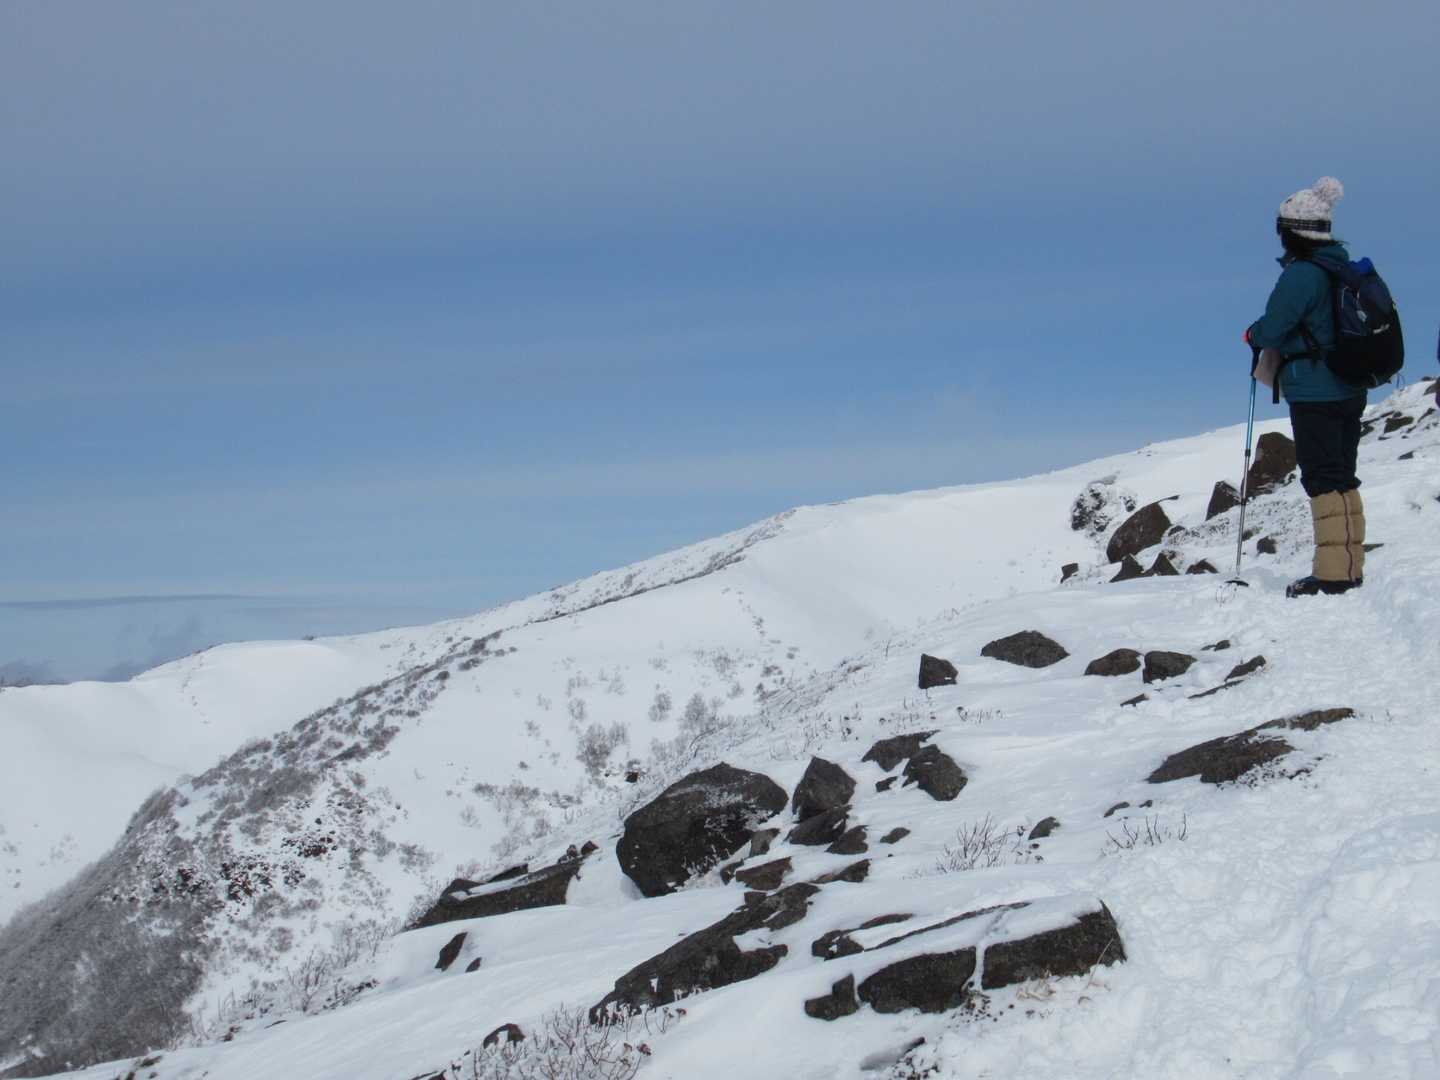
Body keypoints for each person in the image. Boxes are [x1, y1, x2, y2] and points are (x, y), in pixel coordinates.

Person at [1245, 177, 1366, 598]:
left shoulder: (1302, 275)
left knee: (1322, 478)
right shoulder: (1343, 267)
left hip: (1316, 390)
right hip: (1351, 386)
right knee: (1343, 476)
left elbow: (1274, 327)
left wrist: (1253, 334)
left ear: (1293, 231)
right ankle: (1349, 566)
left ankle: (1334, 576)